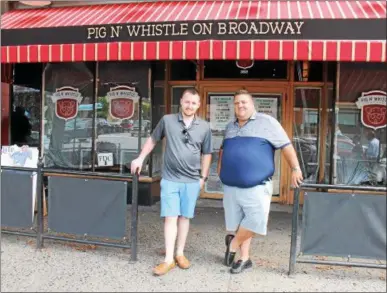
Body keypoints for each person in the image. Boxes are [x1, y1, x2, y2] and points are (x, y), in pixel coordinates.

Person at [217, 90, 303, 274]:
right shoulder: (230, 126)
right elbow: (224, 151)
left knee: (256, 221)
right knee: (238, 224)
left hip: (257, 185)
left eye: (244, 102)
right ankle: (244, 258)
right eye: (237, 103)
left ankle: (232, 244)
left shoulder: (268, 122)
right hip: (231, 186)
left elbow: (286, 146)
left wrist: (295, 168)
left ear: (252, 104)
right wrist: (219, 170)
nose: (240, 106)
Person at [131, 88, 213, 276]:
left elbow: (207, 153)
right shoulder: (168, 120)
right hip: (170, 179)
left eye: (193, 103)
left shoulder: (205, 127)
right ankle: (168, 259)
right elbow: (152, 140)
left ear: (198, 105)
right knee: (170, 217)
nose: (190, 105)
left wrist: (203, 177)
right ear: (181, 102)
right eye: (187, 102)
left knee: (185, 217)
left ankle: (180, 253)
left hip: (192, 180)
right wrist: (140, 158)